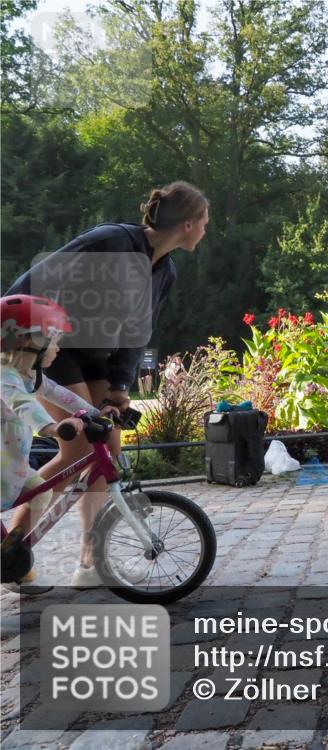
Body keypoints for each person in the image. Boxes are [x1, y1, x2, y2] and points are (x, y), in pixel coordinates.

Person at [5, 181, 209, 588]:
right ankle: (11, 553)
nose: (206, 230)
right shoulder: (111, 241)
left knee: (106, 447)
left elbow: (137, 332)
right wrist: (23, 342)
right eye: (205, 222)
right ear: (188, 224)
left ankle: (90, 559)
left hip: (94, 356)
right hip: (53, 350)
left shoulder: (163, 270)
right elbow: (36, 281)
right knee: (79, 444)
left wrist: (119, 386)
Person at [1, 295, 118, 594]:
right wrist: (53, 427)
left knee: (40, 493)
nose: (58, 348)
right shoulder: (6, 379)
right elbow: (24, 405)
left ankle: (15, 565)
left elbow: (60, 395)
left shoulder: (31, 376)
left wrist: (95, 413)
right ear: (30, 344)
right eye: (54, 340)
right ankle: (10, 563)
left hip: (11, 469)